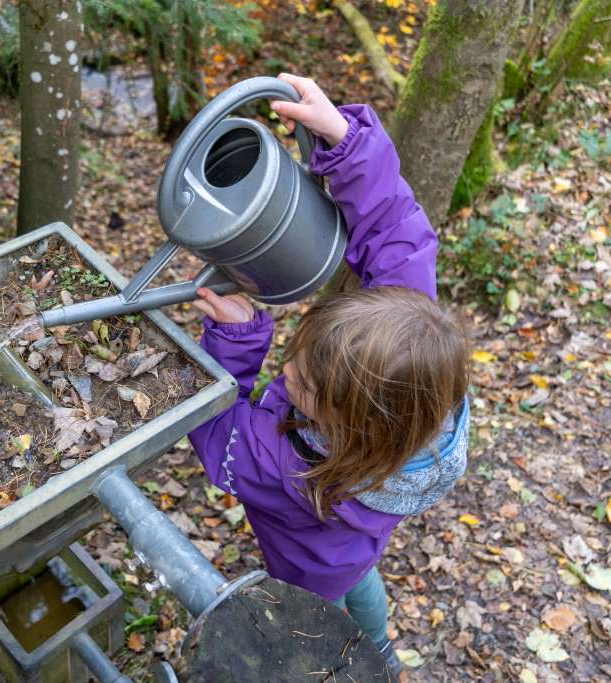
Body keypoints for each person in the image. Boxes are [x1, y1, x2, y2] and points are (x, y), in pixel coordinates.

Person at [188, 73, 470, 680]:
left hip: (306, 567)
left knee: (327, 610)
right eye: (302, 351)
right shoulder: (408, 365)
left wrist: (239, 344)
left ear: (347, 420)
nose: (287, 369)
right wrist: (344, 139)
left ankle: (351, 661)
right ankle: (383, 649)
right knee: (362, 584)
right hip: (359, 544)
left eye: (305, 385)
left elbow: (222, 441)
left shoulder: (292, 466)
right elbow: (397, 229)